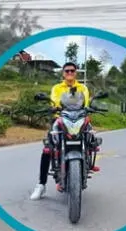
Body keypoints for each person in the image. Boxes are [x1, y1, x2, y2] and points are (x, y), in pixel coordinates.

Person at [29, 62, 99, 200]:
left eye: (72, 71)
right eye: (67, 71)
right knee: (47, 149)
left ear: (75, 72)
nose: (69, 73)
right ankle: (41, 185)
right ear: (63, 73)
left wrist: (89, 107)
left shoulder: (82, 87)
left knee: (92, 136)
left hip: (79, 118)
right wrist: (54, 107)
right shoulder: (57, 88)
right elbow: (54, 101)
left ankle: (89, 161)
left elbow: (85, 103)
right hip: (60, 119)